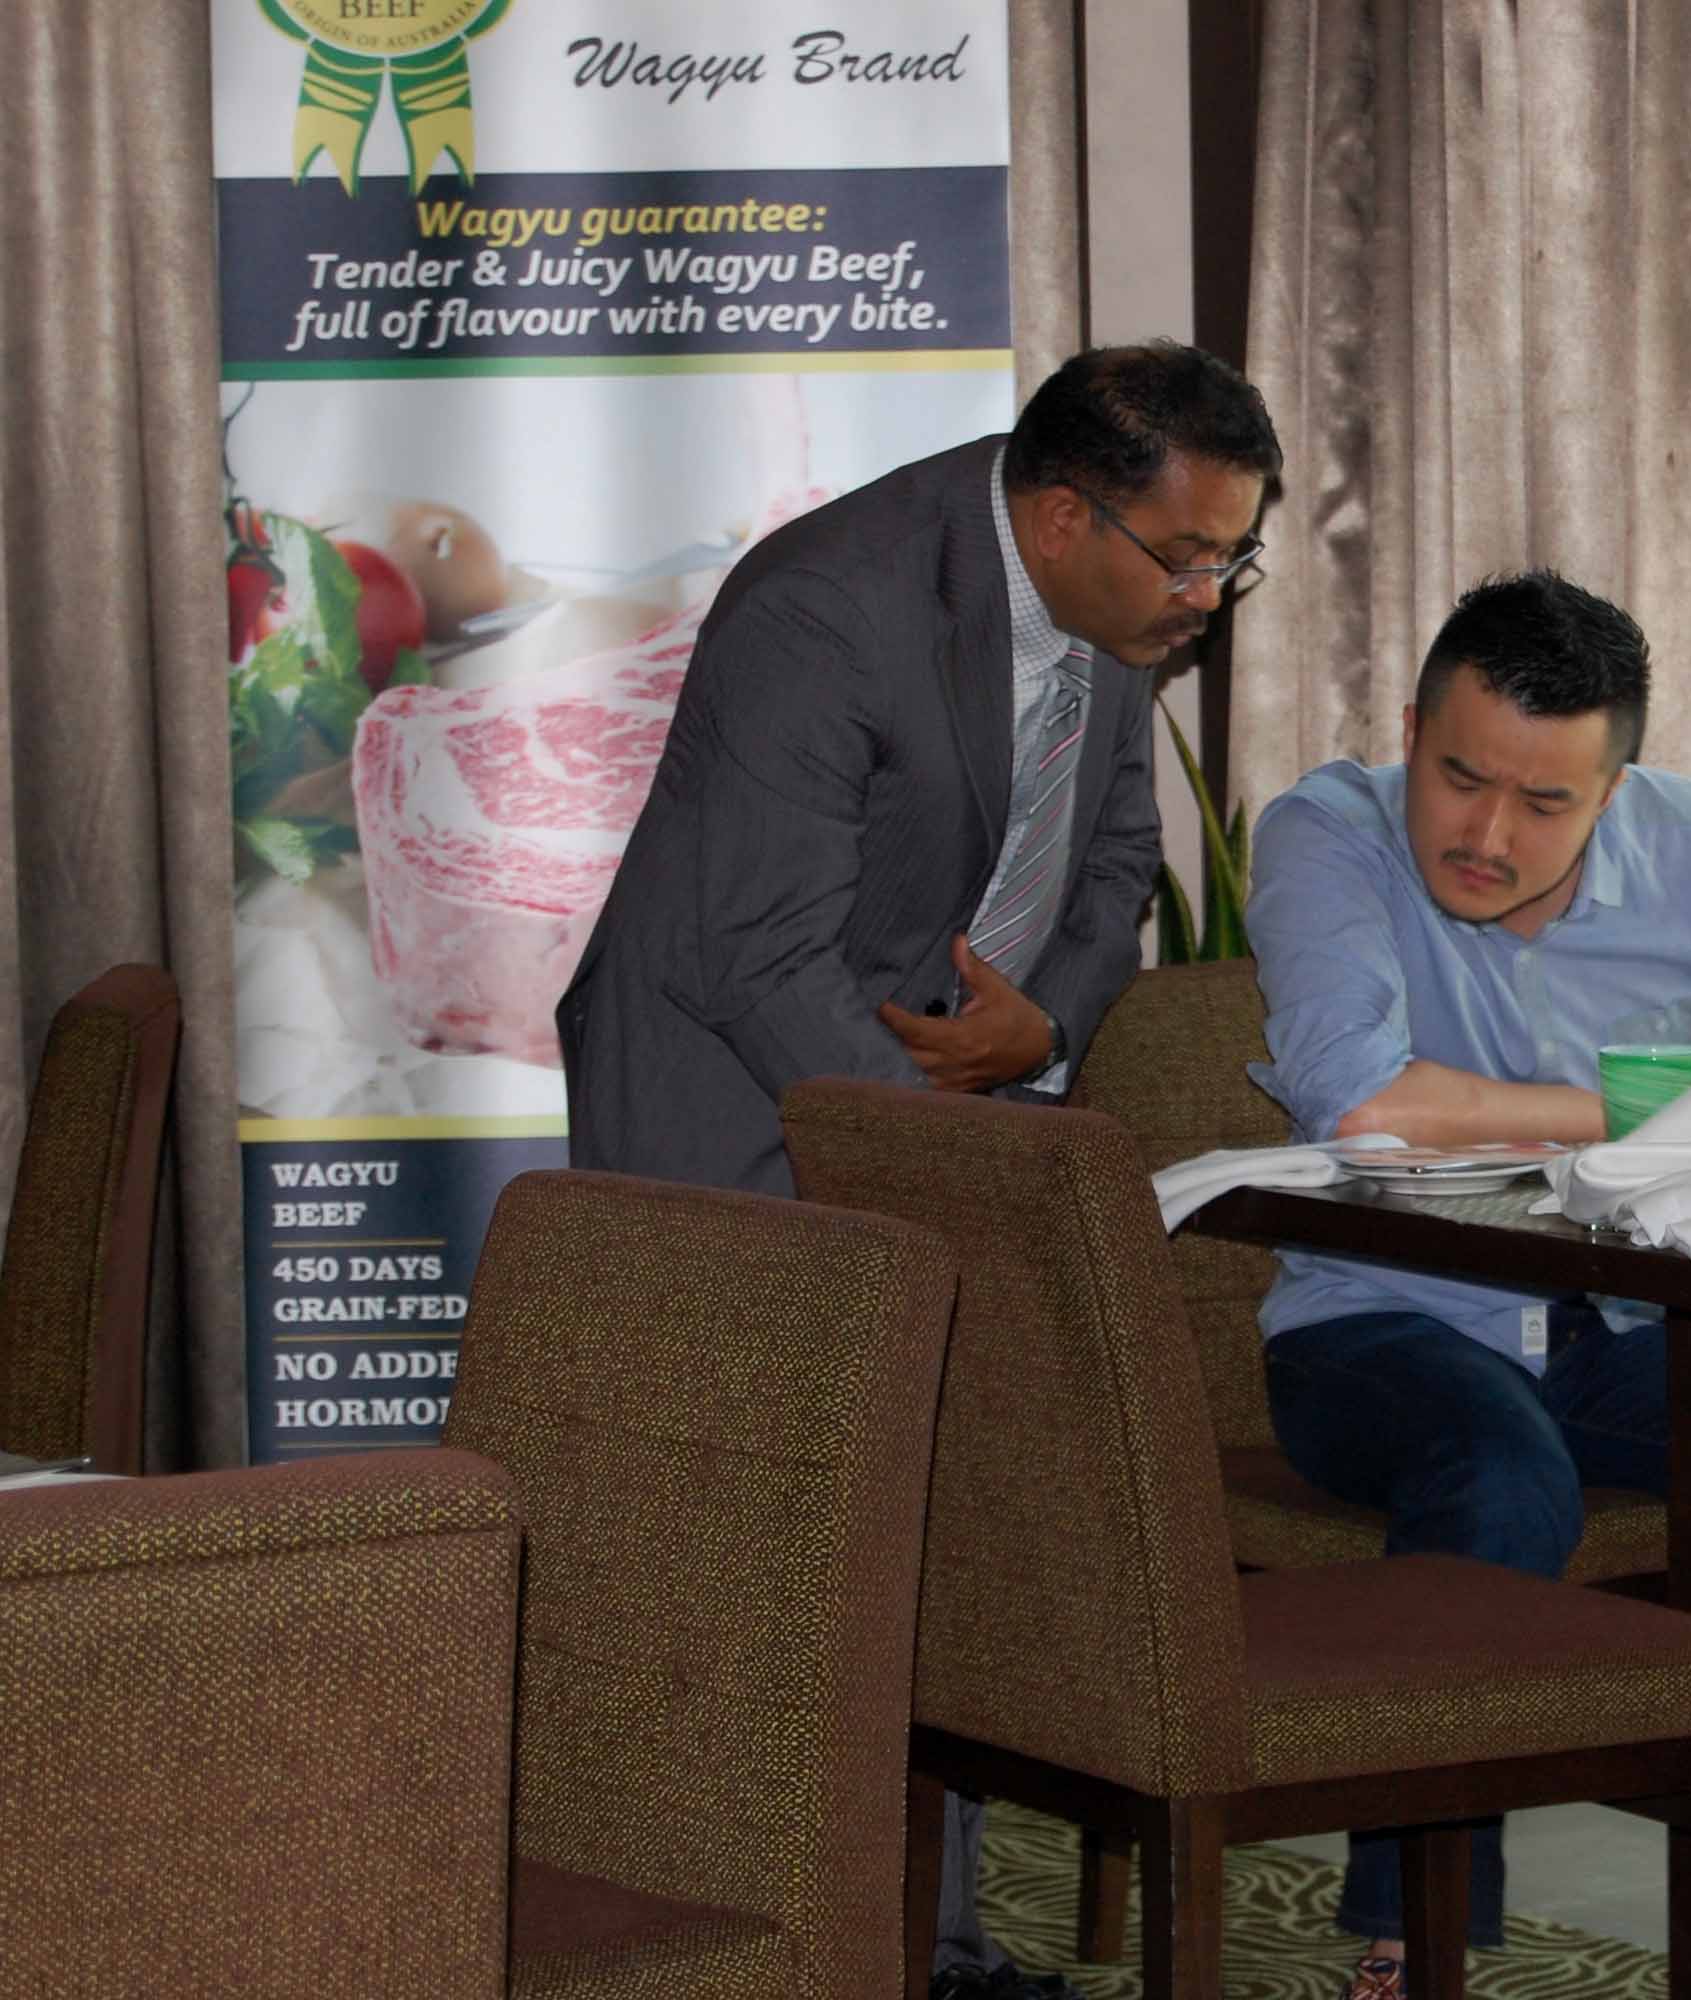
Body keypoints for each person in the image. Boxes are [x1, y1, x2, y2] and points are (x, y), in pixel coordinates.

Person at [556, 340, 1282, 2000]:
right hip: (727, 1100)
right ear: (1060, 515)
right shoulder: (826, 608)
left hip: (944, 1093)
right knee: (748, 1563)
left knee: (940, 1531)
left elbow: (1115, 858)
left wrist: (1043, 1027)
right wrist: (944, 1154)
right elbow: (752, 954)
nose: (1208, 597)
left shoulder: (1117, 617)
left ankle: (933, 1955)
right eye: (1187, 557)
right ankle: (730, 1944)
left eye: (1231, 558)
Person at [1245, 569, 1691, 2000]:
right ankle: (1414, 1945)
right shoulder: (1327, 833)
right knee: (1503, 1477)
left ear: (1615, 792)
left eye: (1544, 803)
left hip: (1617, 1323)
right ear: (1411, 730)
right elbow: (1363, 1106)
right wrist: (1666, 1108)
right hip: (1380, 1321)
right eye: (1458, 777)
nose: (1485, 835)